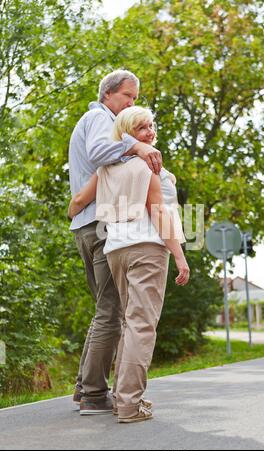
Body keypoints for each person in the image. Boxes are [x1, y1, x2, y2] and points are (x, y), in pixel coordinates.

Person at [69, 106, 190, 423]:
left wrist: (81, 219)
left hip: (116, 250)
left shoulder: (107, 168)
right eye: (142, 128)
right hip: (147, 248)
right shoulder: (150, 166)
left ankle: (125, 398)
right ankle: (128, 405)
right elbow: (160, 213)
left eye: (151, 126)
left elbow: (78, 203)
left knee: (129, 324)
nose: (150, 132)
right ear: (126, 134)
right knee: (141, 326)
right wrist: (179, 256)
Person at [68, 70, 162, 416]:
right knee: (111, 312)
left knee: (106, 311)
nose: (132, 104)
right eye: (128, 97)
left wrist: (77, 202)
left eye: (135, 99)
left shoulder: (108, 124)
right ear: (108, 94)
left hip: (92, 224)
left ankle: (85, 388)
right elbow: (98, 153)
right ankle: (94, 393)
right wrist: (136, 145)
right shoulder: (98, 117)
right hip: (99, 227)